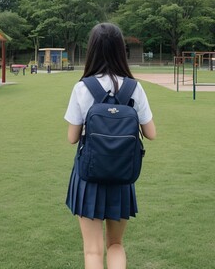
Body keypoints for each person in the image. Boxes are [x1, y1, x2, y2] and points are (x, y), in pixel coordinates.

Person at [64, 23, 156, 269]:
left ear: (92, 49)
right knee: (115, 244)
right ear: (120, 50)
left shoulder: (82, 87)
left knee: (92, 252)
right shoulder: (134, 87)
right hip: (122, 174)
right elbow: (151, 133)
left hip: (89, 176)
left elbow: (72, 137)